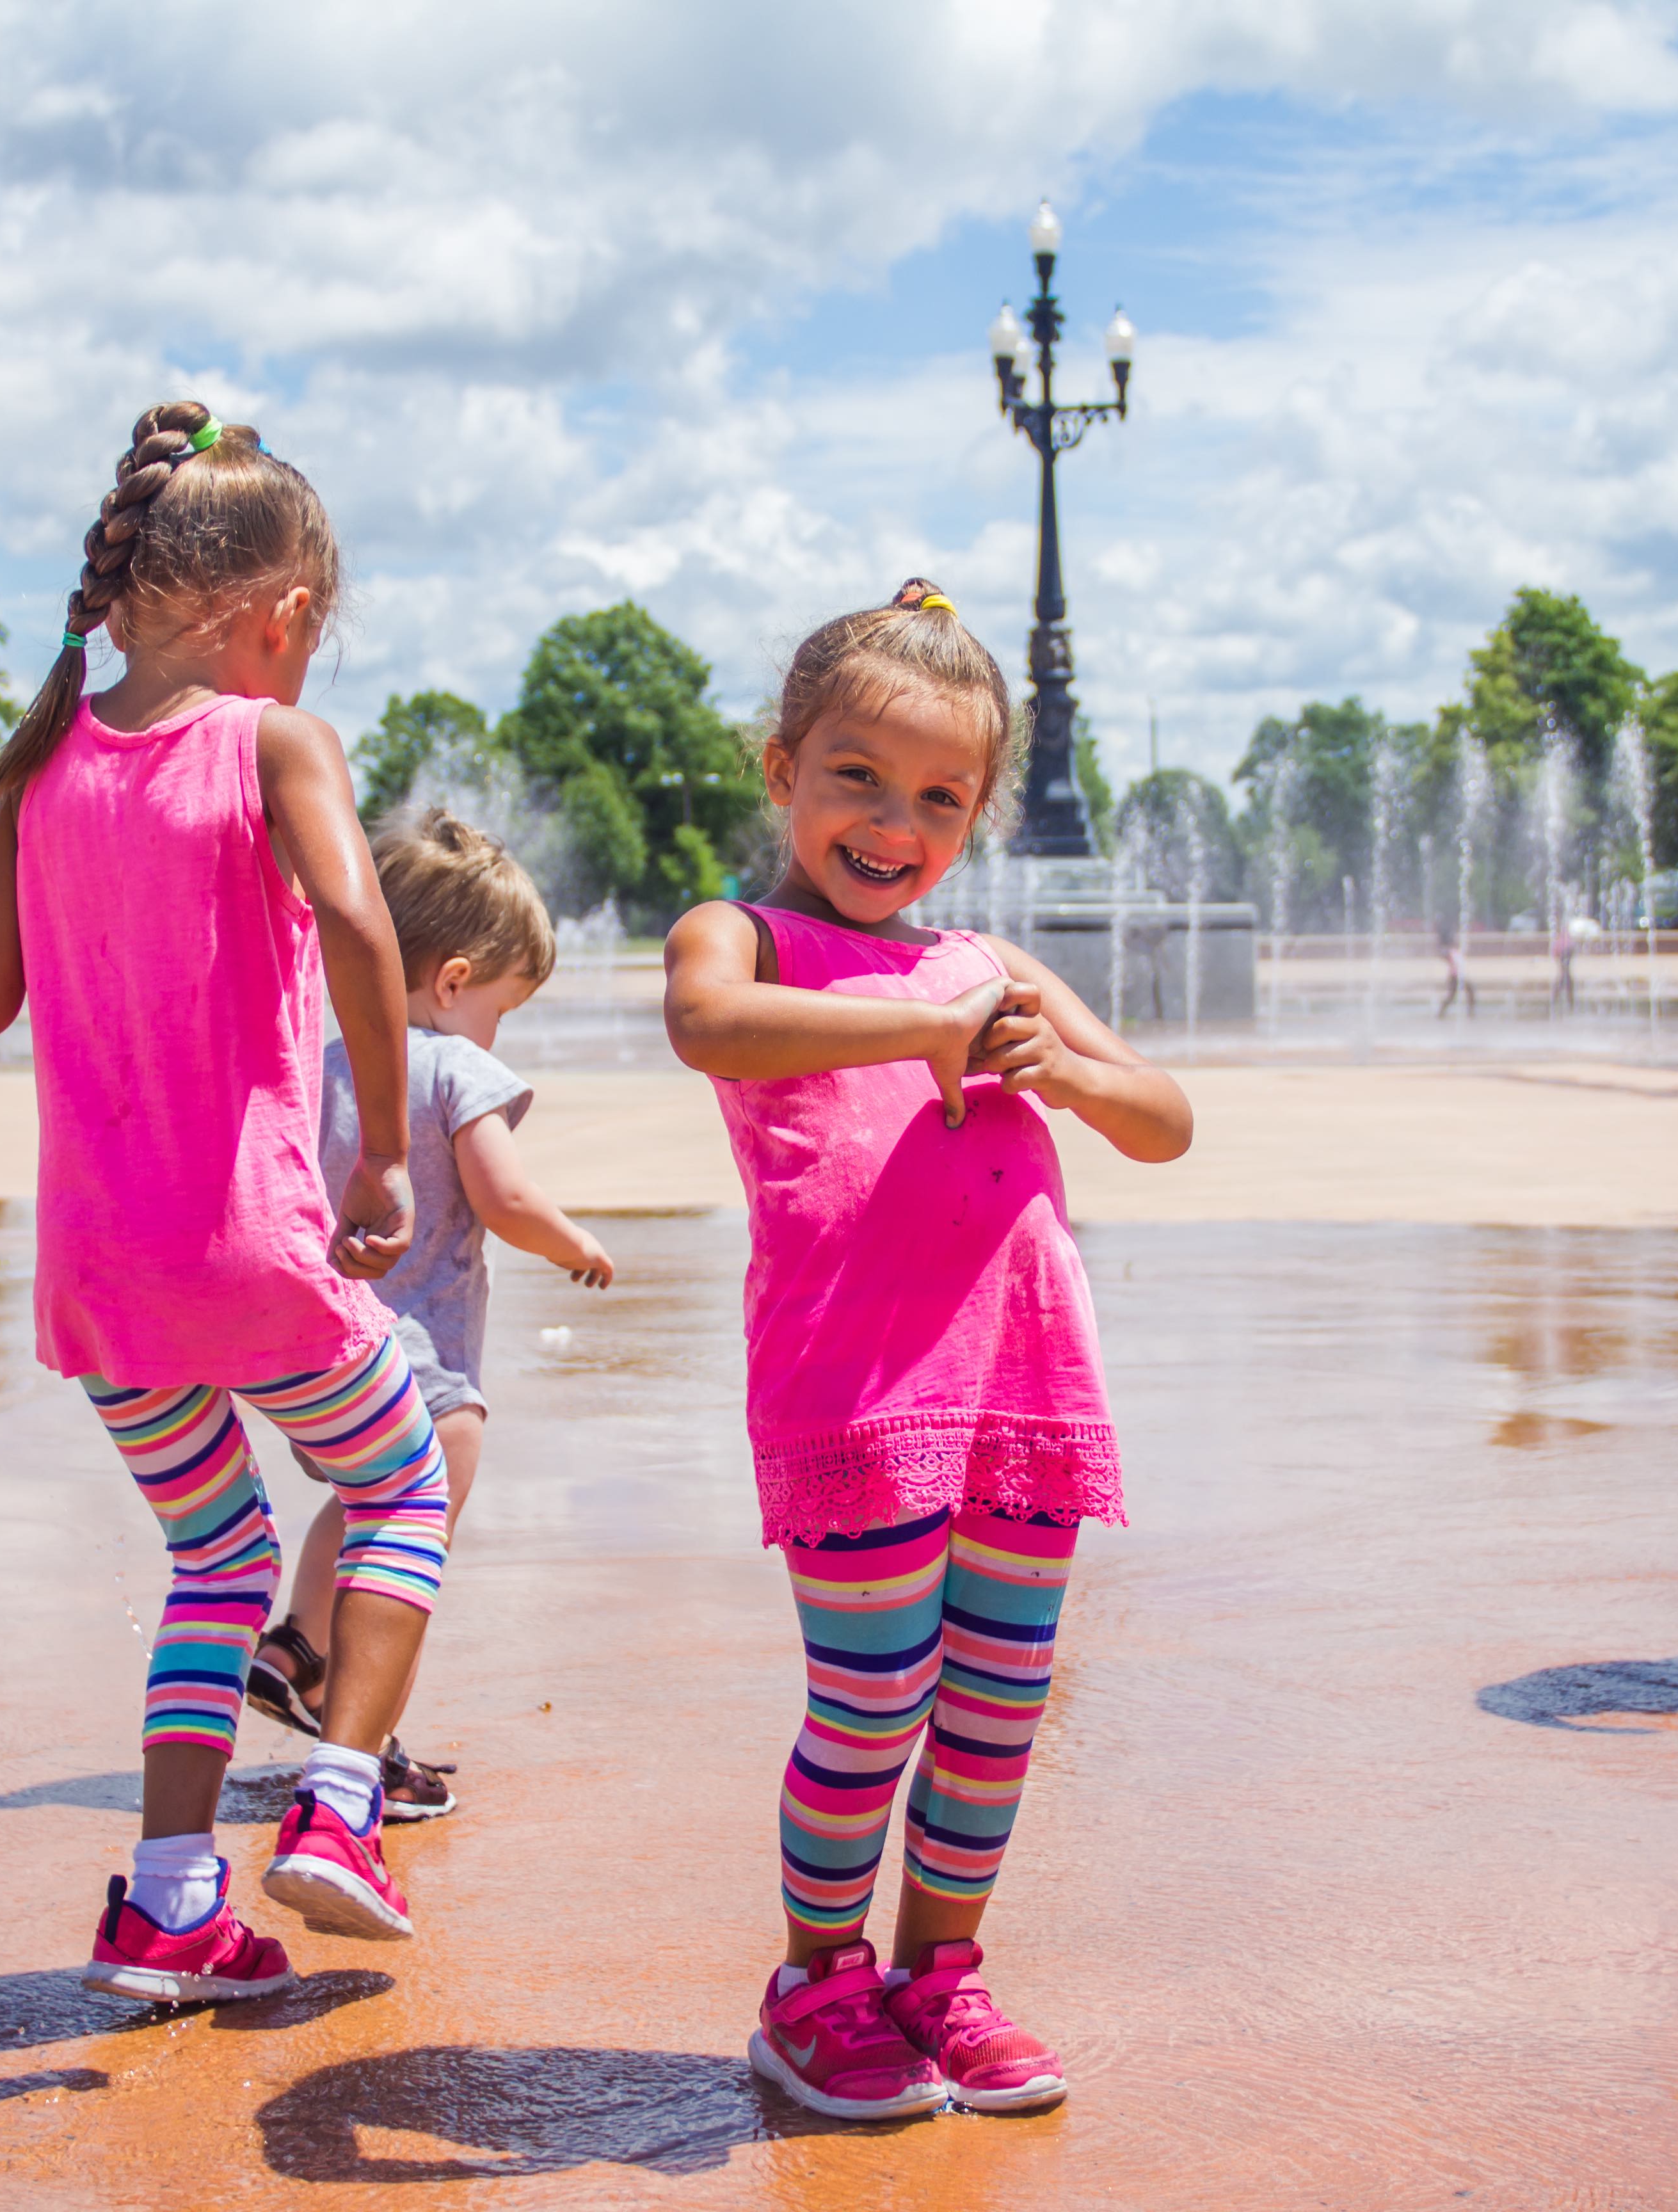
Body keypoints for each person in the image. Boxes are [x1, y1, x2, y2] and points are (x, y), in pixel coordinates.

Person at [0, 400, 451, 2005]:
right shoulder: (275, 743)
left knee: (215, 1558)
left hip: (98, 1274)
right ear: (275, 618)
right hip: (248, 1247)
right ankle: (342, 1809)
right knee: (405, 1487)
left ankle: (167, 1902)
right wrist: (384, 1153)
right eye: (315, 635)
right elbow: (359, 925)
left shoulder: (36, 768)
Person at [663, 578, 1194, 2121]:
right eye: (859, 779)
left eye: (940, 797)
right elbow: (713, 1025)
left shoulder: (992, 964)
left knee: (996, 1703)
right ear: (783, 770)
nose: (895, 823)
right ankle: (815, 1986)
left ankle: (938, 1976)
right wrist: (918, 1025)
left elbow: (1166, 1121)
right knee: (873, 1699)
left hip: (1021, 1391)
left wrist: (1071, 1074)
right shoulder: (745, 933)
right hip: (858, 1397)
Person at [246, 807, 616, 1820]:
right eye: (503, 1006)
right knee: (406, 1564)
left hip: (329, 1358)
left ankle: (296, 1642)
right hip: (428, 1374)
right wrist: (573, 1242)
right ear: (454, 984)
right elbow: (502, 1197)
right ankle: (363, 1764)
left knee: (360, 1509)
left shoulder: (323, 1070)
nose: (501, 1031)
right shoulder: (456, 1066)